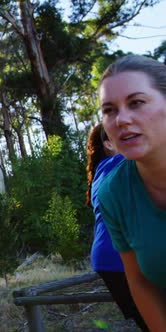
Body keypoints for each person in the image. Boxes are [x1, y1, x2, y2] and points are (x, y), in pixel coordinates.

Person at [97, 54, 166, 331]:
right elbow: (140, 282)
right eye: (109, 110)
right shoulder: (113, 192)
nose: (121, 119)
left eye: (136, 102)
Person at [86, 123, 147, 331]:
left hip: (108, 259)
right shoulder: (123, 164)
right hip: (122, 257)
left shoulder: (101, 173)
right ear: (109, 144)